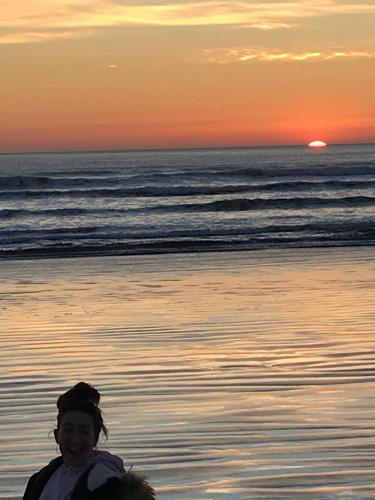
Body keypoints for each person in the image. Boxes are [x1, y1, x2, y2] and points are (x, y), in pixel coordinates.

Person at [23, 382, 155, 500]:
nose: (75, 439)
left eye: (84, 432)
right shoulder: (40, 479)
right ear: (57, 435)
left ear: (95, 438)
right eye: (68, 430)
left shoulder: (105, 482)